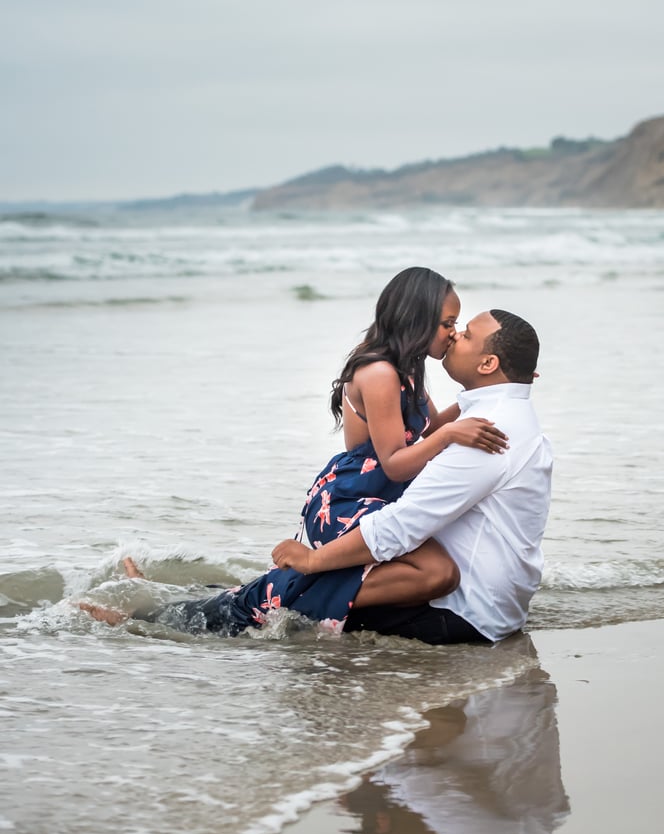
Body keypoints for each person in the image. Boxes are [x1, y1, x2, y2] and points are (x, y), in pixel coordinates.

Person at [80, 269, 507, 632]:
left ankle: (165, 596)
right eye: (448, 323)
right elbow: (396, 463)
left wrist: (486, 394)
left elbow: (428, 428)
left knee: (414, 572)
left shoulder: (407, 368)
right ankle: (137, 617)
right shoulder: (380, 372)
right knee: (436, 573)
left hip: (376, 498)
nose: (454, 333)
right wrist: (452, 435)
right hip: (348, 500)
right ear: (416, 320)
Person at [269, 308, 553, 644]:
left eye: (466, 334)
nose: (455, 334)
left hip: (463, 611)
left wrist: (313, 560)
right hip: (496, 605)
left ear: (488, 364)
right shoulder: (508, 414)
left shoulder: (487, 431)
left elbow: (402, 525)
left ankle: (268, 596)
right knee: (336, 579)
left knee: (284, 606)